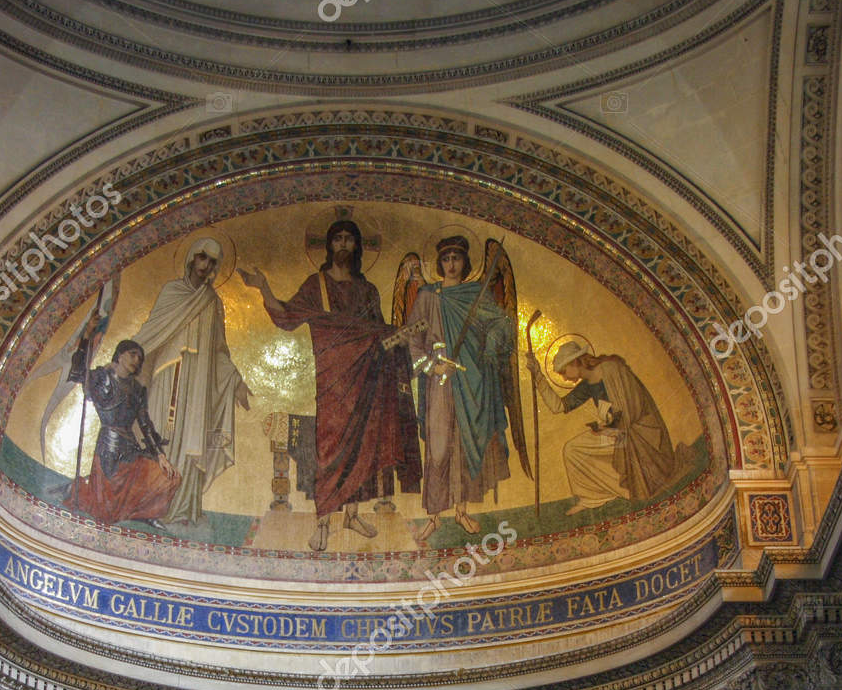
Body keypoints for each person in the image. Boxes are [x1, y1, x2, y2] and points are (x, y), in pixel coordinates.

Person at [240, 220, 421, 551]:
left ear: (357, 247)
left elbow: (378, 333)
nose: (342, 244)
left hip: (367, 378)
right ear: (328, 245)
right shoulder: (316, 285)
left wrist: (402, 337)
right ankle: (323, 520)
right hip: (332, 380)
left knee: (364, 447)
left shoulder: (367, 291)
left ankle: (352, 514)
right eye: (337, 239)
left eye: (349, 239)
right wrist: (263, 287)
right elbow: (286, 317)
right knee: (330, 448)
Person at [407, 236, 518, 542]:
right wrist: (432, 365)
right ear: (439, 263)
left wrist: (493, 340)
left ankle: (461, 510)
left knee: (466, 446)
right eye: (446, 259)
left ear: (464, 262)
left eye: (457, 258)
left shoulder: (475, 294)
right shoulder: (429, 297)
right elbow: (411, 337)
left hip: (472, 382)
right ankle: (433, 515)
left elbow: (501, 323)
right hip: (440, 385)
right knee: (439, 448)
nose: (452, 264)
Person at [134, 238, 251, 524]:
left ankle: (180, 510)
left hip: (196, 389)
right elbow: (151, 332)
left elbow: (219, 349)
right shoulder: (171, 292)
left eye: (212, 262)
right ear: (190, 259)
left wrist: (235, 381)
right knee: (158, 431)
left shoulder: (212, 302)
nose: (206, 266)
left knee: (190, 442)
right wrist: (122, 362)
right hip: (165, 379)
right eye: (202, 258)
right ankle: (147, 505)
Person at [525, 339, 678, 512]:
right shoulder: (587, 385)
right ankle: (593, 497)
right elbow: (558, 406)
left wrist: (613, 427)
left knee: (609, 443)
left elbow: (634, 406)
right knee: (572, 450)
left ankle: (632, 486)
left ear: (575, 362)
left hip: (637, 431)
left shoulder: (612, 369)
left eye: (564, 371)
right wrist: (538, 375)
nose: (565, 377)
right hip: (615, 431)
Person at [65, 330, 180, 528]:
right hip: (108, 447)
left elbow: (145, 424)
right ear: (120, 354)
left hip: (130, 449)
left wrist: (160, 455)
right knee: (105, 511)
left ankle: (143, 514)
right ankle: (80, 489)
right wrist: (85, 341)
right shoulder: (100, 377)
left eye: (140, 358)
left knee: (171, 477)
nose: (136, 360)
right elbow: (76, 373)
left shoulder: (138, 390)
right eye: (132, 354)